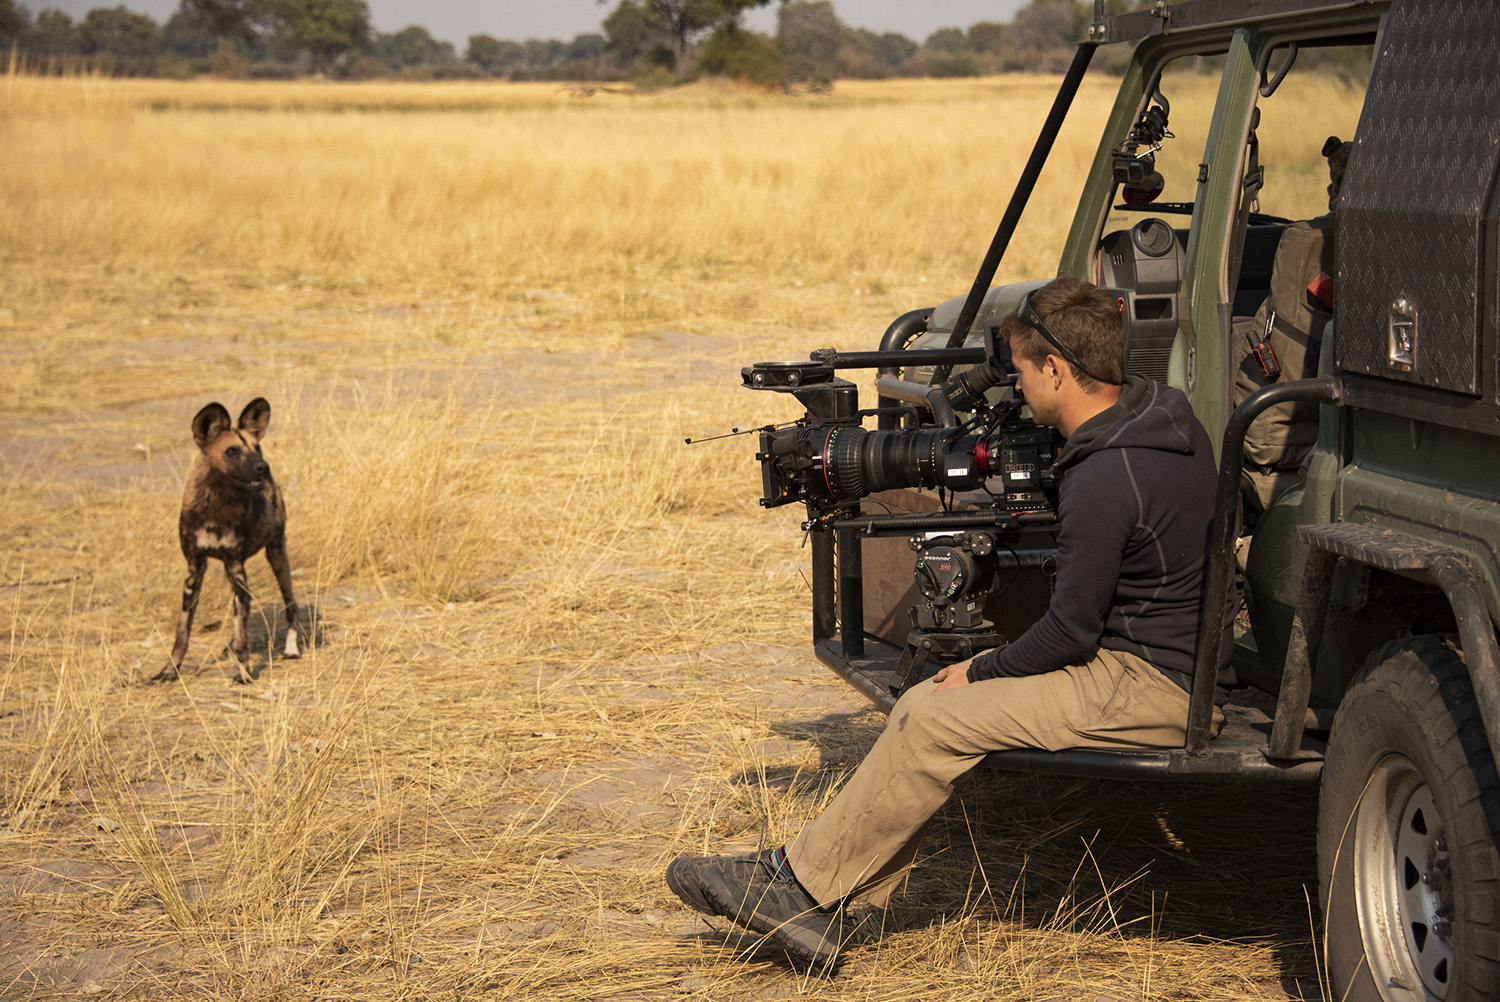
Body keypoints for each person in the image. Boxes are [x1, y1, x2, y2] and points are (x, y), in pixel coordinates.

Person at [666, 276, 1227, 973]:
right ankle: (813, 894)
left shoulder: (1107, 475)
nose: (1017, 386)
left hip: (1148, 684)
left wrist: (982, 669)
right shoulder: (1163, 417)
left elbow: (1072, 632)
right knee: (925, 706)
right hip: (1173, 662)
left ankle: (801, 888)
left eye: (1022, 371)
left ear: (1057, 368)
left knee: (934, 714)